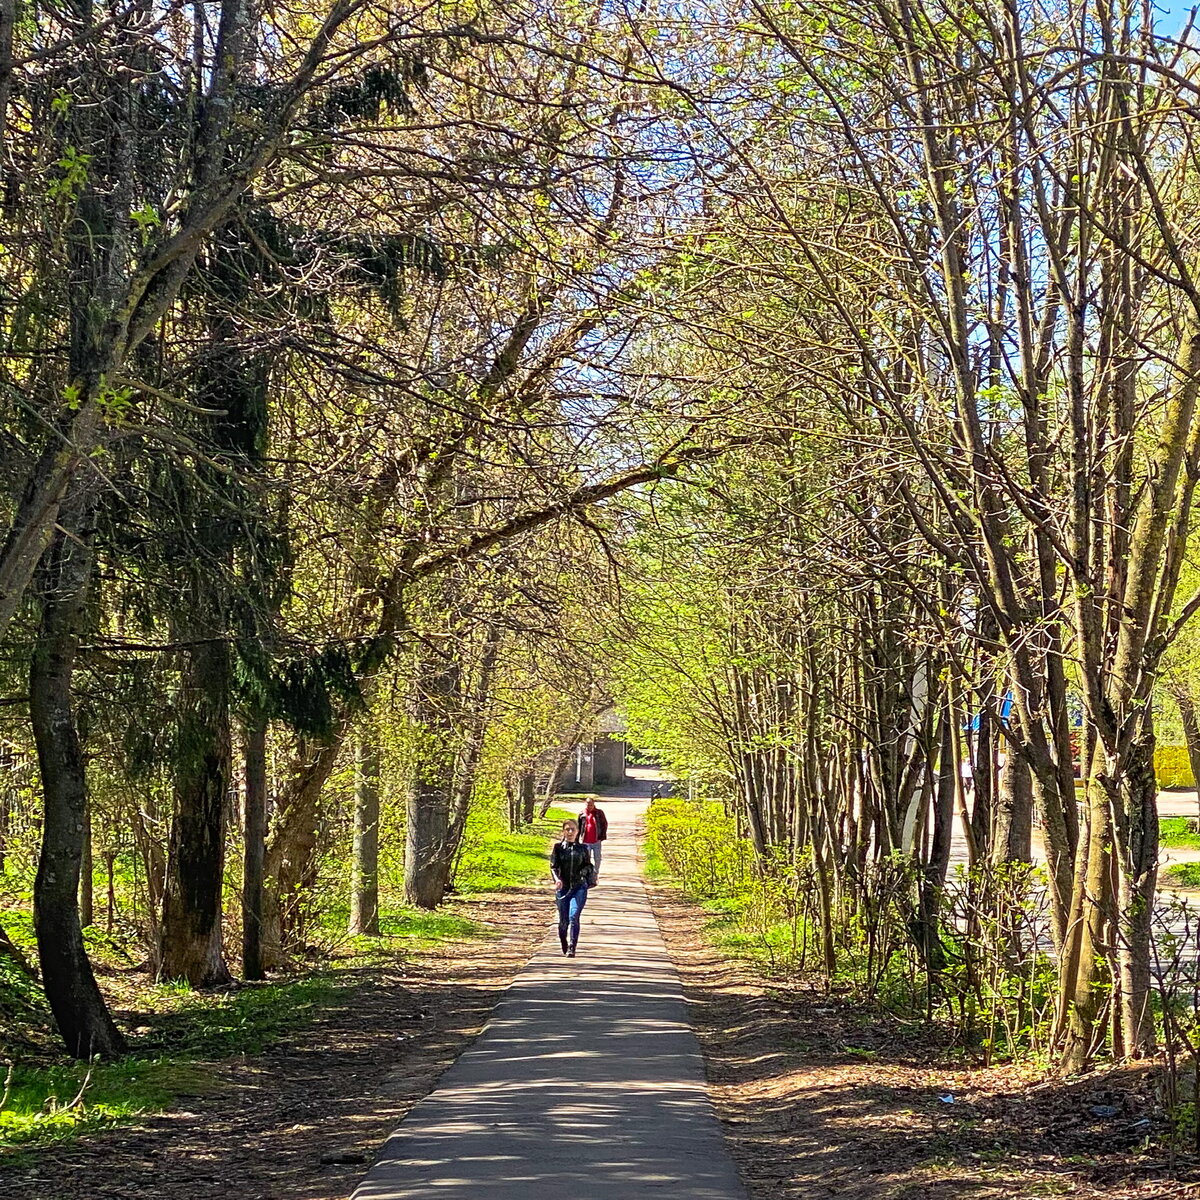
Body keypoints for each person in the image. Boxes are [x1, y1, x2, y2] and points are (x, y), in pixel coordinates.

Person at [550, 818, 593, 957]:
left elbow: (589, 865)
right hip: (563, 888)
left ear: (577, 831)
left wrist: (584, 872)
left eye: (572, 829)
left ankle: (572, 947)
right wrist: (557, 880)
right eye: (567, 829)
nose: (570, 832)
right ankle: (563, 940)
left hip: (579, 887)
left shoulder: (583, 848)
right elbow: (553, 867)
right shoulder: (558, 848)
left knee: (574, 916)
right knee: (564, 921)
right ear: (563, 831)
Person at [576, 796, 608, 883]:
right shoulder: (582, 814)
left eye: (591, 804)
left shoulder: (599, 813)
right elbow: (578, 827)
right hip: (586, 841)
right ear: (585, 804)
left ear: (594, 804)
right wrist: (577, 839)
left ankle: (595, 874)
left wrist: (602, 835)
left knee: (597, 858)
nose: (589, 806)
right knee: (587, 859)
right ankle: (588, 876)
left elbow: (604, 824)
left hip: (596, 840)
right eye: (588, 804)